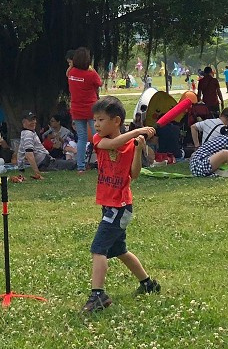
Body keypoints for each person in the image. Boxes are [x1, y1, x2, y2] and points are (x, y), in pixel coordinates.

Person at [82, 97, 159, 312]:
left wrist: (137, 149)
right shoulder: (99, 139)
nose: (96, 124)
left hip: (121, 206)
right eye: (95, 120)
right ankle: (148, 284)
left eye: (101, 119)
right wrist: (138, 131)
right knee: (120, 250)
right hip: (109, 205)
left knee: (99, 249)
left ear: (116, 121)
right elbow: (113, 144)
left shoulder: (128, 146)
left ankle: (97, 295)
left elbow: (134, 175)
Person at [66, 46, 103, 175]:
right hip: (92, 110)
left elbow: (67, 72)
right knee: (97, 136)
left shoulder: (71, 73)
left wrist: (72, 65)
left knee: (81, 138)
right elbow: (100, 83)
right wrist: (91, 68)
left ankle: (80, 167)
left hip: (76, 110)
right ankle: (102, 163)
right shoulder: (91, 74)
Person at [16, 112, 50, 180]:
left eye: (34, 119)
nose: (34, 122)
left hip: (45, 161)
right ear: (24, 122)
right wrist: (37, 173)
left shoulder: (26, 133)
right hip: (44, 163)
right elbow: (29, 154)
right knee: (72, 164)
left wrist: (21, 169)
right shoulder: (28, 134)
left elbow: (20, 153)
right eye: (31, 120)